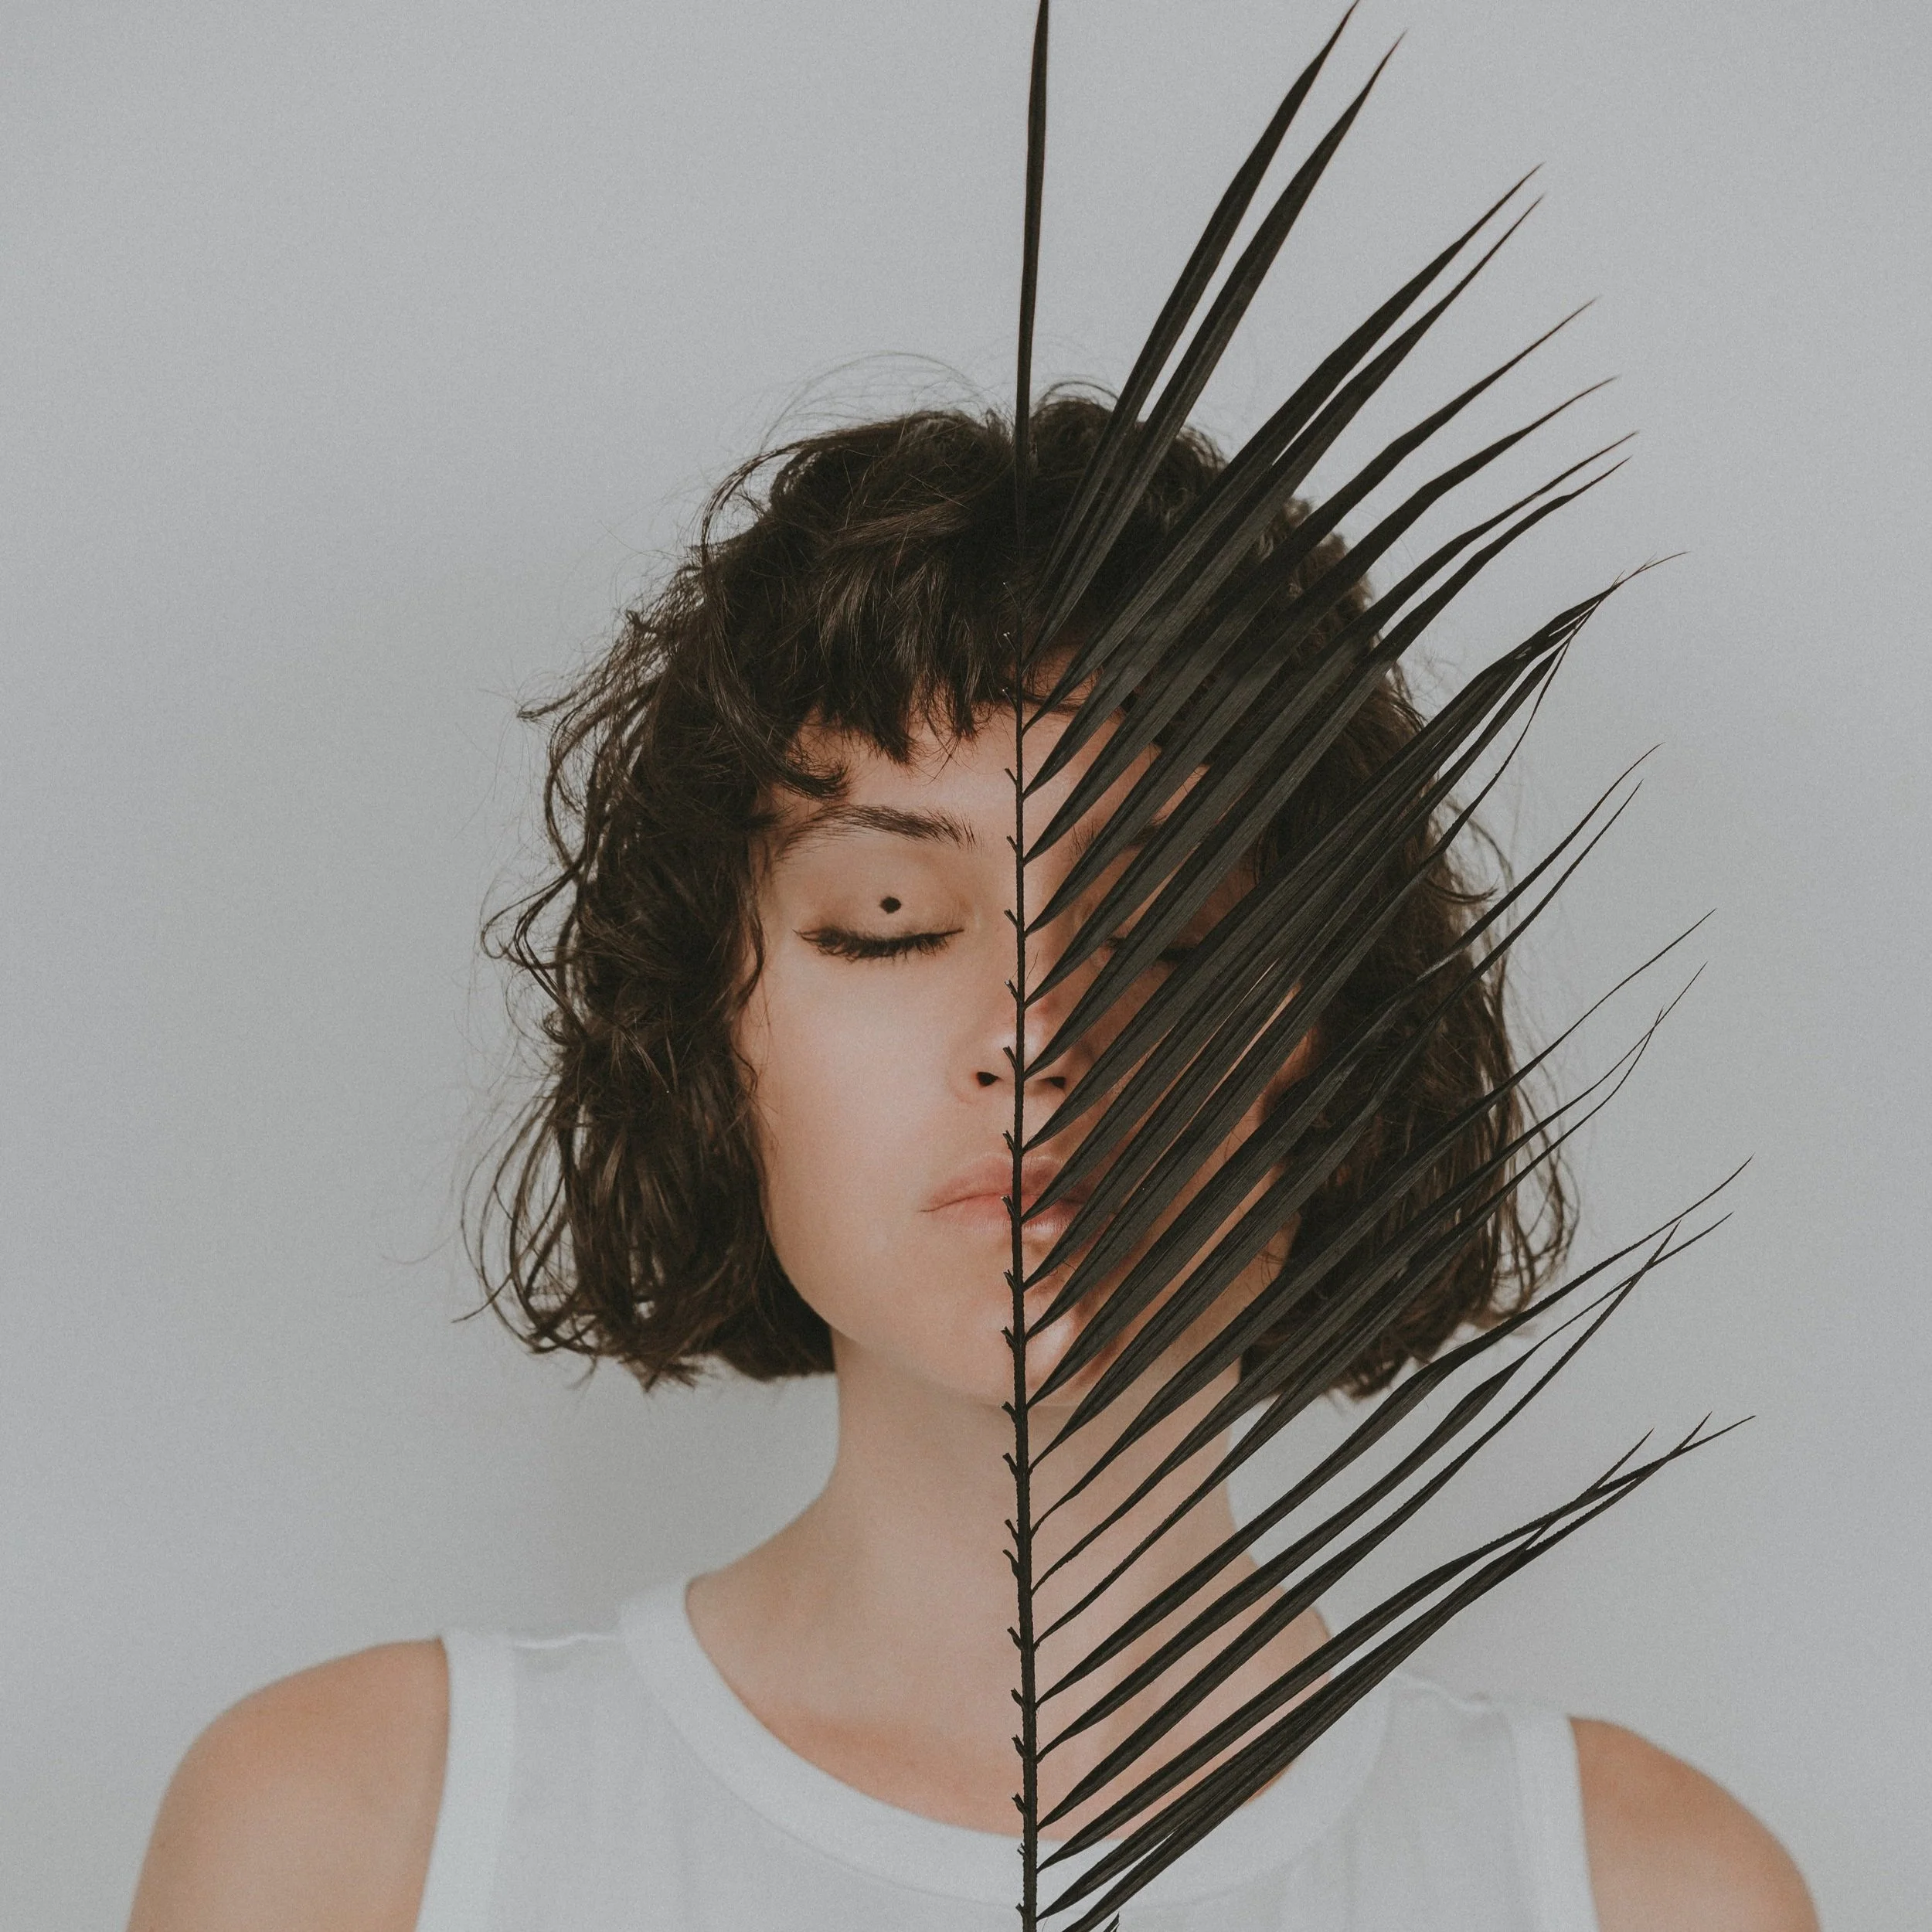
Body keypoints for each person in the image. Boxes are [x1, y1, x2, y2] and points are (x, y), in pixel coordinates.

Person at [128, 398, 1816, 1932]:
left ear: (1331, 1033)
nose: (1029, 1031)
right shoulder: (360, 1839)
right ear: (716, 1040)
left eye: (1161, 929)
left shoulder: (1644, 1891)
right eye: (887, 922)